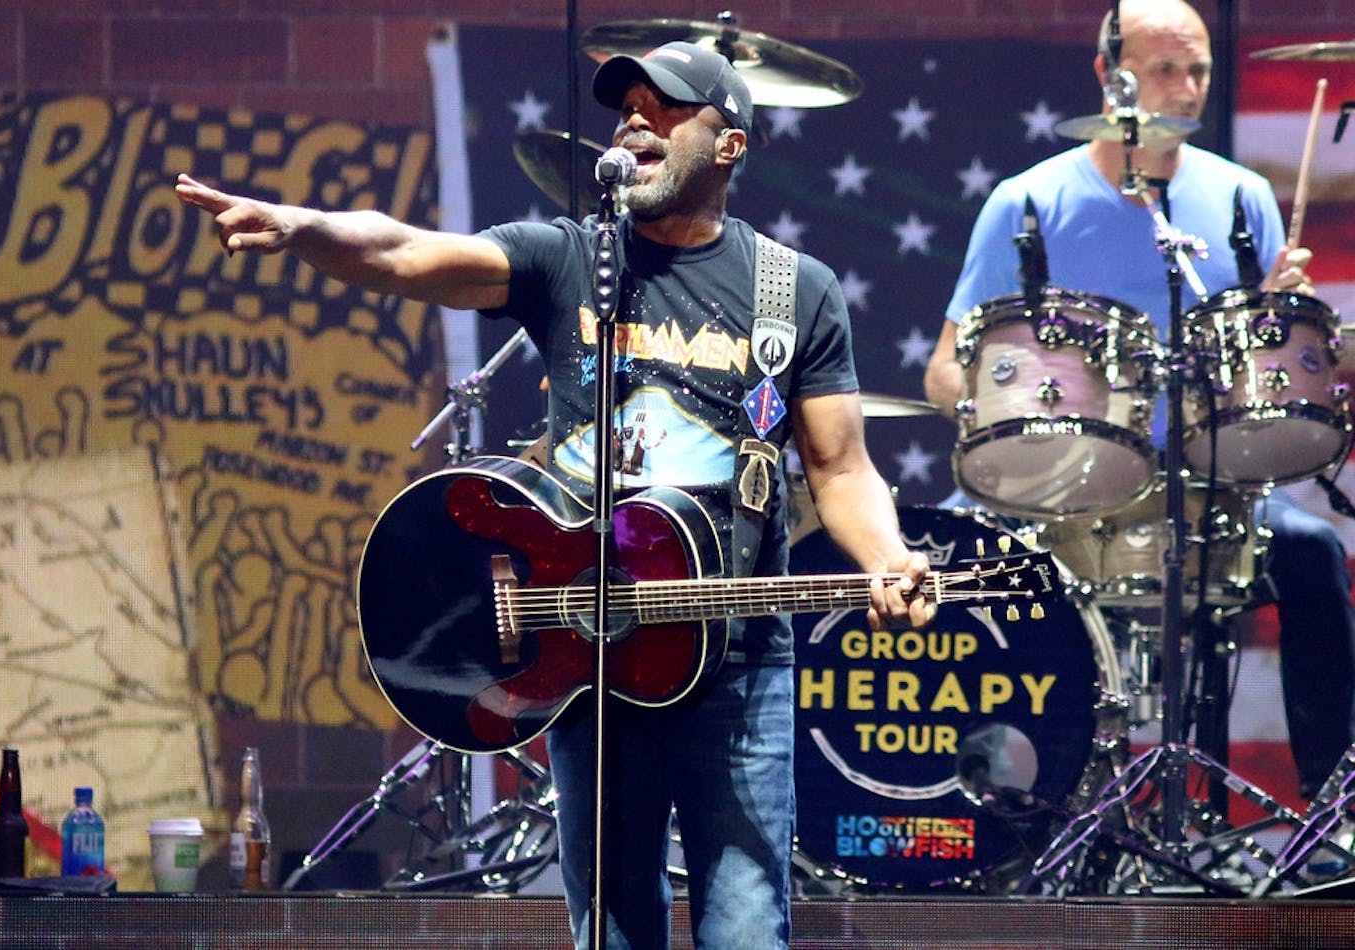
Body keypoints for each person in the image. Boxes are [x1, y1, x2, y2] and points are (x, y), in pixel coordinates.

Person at [178, 41, 935, 949]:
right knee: (613, 931)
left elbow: (841, 468)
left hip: (734, 664)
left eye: (666, 106)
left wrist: (887, 559)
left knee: (743, 927)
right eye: (627, 107)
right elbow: (409, 252)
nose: (636, 120)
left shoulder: (793, 291)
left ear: (728, 144)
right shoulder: (572, 257)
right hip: (597, 658)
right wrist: (302, 227)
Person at [923, 0, 1355, 800]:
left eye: (1199, 71)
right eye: (1166, 69)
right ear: (1109, 75)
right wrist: (1009, 422)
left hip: (1208, 482)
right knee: (942, 562)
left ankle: (1336, 818)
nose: (1187, 90)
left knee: (1314, 554)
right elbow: (947, 369)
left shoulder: (1240, 198)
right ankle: (973, 813)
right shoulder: (1027, 203)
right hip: (1061, 485)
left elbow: (1260, 366)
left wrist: (1278, 322)